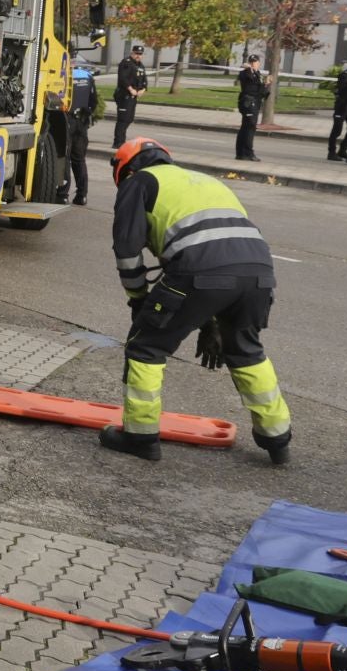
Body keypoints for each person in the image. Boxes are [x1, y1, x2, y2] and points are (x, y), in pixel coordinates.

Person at [104, 137, 292, 465]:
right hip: (258, 270)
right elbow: (215, 246)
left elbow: (127, 250)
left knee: (145, 347)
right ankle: (277, 439)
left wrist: (138, 299)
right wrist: (211, 320)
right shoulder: (204, 180)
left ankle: (140, 436)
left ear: (126, 168)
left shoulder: (139, 182)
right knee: (246, 350)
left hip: (199, 271)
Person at [64, 63, 97, 205]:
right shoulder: (87, 75)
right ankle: (82, 195)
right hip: (82, 121)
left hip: (67, 120)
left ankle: (62, 194)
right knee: (79, 160)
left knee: (64, 157)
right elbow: (94, 102)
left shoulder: (63, 74)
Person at [112, 43, 147, 148]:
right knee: (123, 119)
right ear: (132, 53)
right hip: (124, 95)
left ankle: (121, 140)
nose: (138, 55)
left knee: (129, 119)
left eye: (140, 54)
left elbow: (144, 80)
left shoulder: (140, 65)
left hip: (134, 95)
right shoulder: (126, 63)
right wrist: (130, 89)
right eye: (136, 53)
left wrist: (143, 89)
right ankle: (118, 142)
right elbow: (123, 78)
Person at [234, 54, 267, 162]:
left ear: (259, 63)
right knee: (249, 128)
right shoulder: (246, 73)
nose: (253, 64)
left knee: (246, 127)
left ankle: (241, 153)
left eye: (255, 62)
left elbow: (259, 89)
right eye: (251, 62)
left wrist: (266, 84)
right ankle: (248, 153)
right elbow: (248, 79)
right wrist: (248, 68)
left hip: (255, 103)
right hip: (248, 104)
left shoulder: (258, 74)